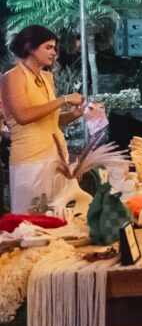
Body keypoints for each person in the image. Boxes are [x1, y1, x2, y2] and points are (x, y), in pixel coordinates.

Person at [0, 25, 85, 214]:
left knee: (56, 219)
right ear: (30, 47)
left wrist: (73, 115)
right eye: (48, 47)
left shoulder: (47, 78)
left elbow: (49, 120)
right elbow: (23, 116)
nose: (54, 53)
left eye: (54, 48)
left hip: (55, 159)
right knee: (31, 223)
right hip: (30, 162)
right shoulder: (12, 77)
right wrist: (62, 100)